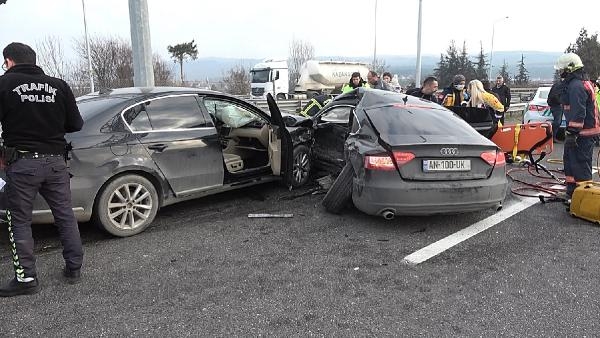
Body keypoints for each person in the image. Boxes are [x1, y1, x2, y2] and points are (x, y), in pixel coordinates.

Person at [0, 42, 84, 297]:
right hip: (57, 162)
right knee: (65, 215)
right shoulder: (59, 85)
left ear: (9, 61)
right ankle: (74, 268)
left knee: (20, 220)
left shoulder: (3, 84)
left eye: (5, 63)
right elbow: (76, 124)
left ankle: (26, 279)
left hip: (23, 163)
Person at [554, 52, 600, 205]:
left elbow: (579, 111)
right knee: (570, 161)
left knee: (580, 164)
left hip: (583, 133)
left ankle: (584, 199)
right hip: (577, 132)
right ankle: (572, 192)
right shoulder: (575, 83)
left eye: (563, 69)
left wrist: (573, 133)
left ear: (570, 68)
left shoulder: (577, 86)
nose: (561, 72)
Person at [547, 77, 564, 142]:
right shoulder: (559, 85)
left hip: (555, 104)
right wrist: (560, 102)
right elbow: (555, 95)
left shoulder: (558, 84)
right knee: (557, 122)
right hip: (556, 105)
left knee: (558, 121)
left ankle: (552, 136)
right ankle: (552, 137)